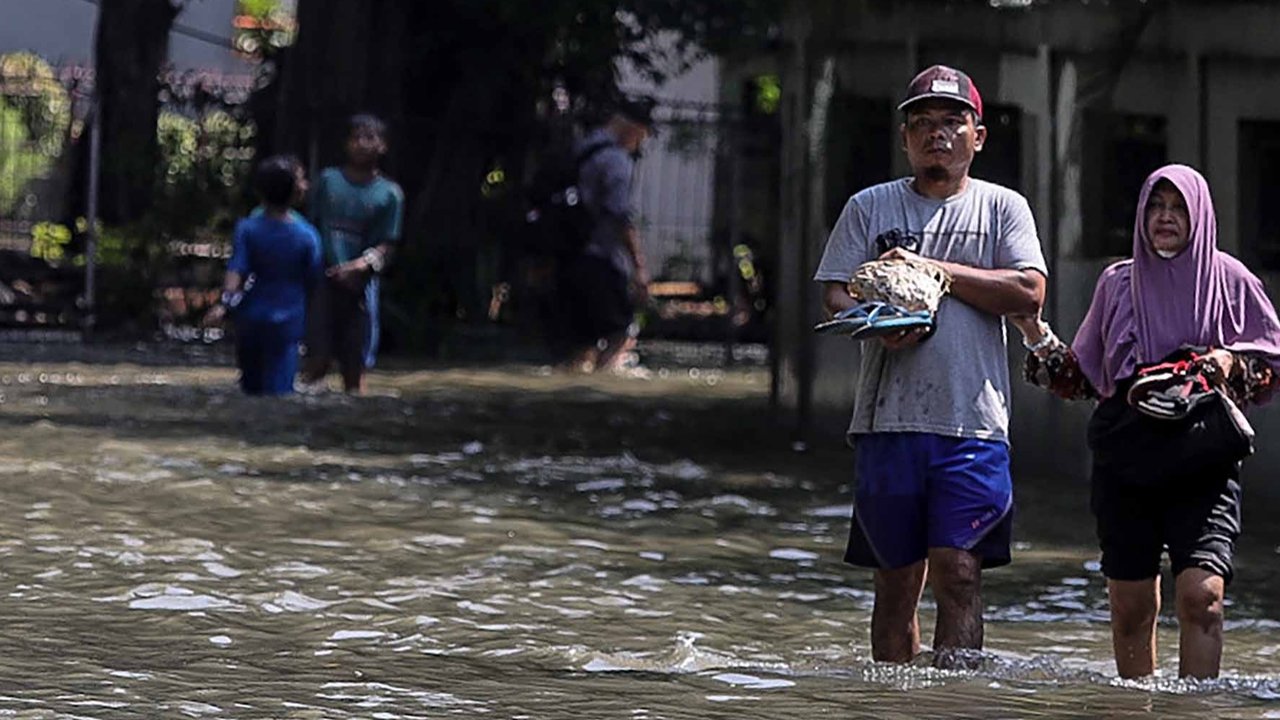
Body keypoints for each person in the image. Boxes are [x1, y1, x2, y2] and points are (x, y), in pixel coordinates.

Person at [812, 65, 1047, 666]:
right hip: (888, 423)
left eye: (951, 123)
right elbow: (835, 293)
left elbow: (1027, 293)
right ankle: (893, 703)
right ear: (905, 138)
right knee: (895, 584)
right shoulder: (869, 207)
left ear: (978, 136)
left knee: (961, 572)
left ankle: (953, 700)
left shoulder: (1003, 209)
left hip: (973, 425)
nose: (936, 135)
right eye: (922, 124)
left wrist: (934, 270)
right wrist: (875, 321)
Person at [1012, 164, 1280, 679]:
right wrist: (1035, 335)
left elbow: (1270, 371)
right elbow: (1084, 377)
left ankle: (1196, 712)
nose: (1166, 218)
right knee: (1131, 607)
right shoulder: (1118, 282)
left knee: (1203, 599)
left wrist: (1229, 363)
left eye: (1178, 208)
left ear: (1199, 216)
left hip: (1204, 457)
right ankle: (1136, 707)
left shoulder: (1232, 280)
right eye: (1156, 206)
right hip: (1126, 458)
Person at [300, 114, 405, 394]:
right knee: (316, 361)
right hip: (323, 281)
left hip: (361, 285)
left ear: (382, 146)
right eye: (356, 137)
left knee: (355, 370)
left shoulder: (390, 193)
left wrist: (360, 266)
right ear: (346, 144)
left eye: (369, 138)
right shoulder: (328, 181)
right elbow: (309, 227)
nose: (362, 144)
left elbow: (388, 244)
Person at [206, 155, 322, 395]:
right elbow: (314, 281)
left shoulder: (247, 229)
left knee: (251, 389)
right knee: (279, 392)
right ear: (293, 193)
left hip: (251, 317)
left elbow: (236, 271)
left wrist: (224, 305)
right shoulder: (308, 236)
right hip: (288, 321)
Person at [560, 97, 654, 373]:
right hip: (600, 260)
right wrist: (639, 267)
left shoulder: (581, 149)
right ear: (634, 129)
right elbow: (620, 216)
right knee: (620, 334)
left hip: (567, 257)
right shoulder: (615, 160)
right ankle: (602, 389)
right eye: (642, 136)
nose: (640, 144)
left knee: (580, 346)